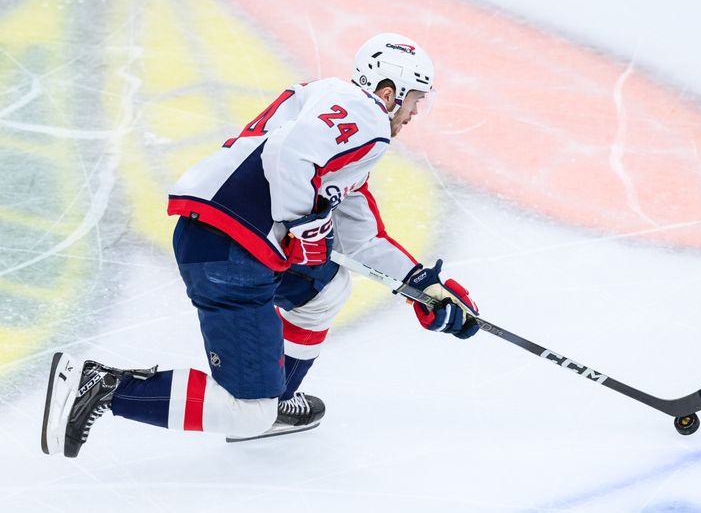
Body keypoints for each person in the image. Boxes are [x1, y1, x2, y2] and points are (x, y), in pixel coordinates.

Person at [41, 33, 480, 458]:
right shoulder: (363, 114)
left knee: (325, 288)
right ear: (388, 91)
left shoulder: (335, 114)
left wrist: (422, 286)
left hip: (229, 237)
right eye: (415, 97)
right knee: (246, 413)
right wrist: (302, 226)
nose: (416, 110)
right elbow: (288, 153)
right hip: (231, 247)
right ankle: (99, 386)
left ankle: (275, 400)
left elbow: (362, 236)